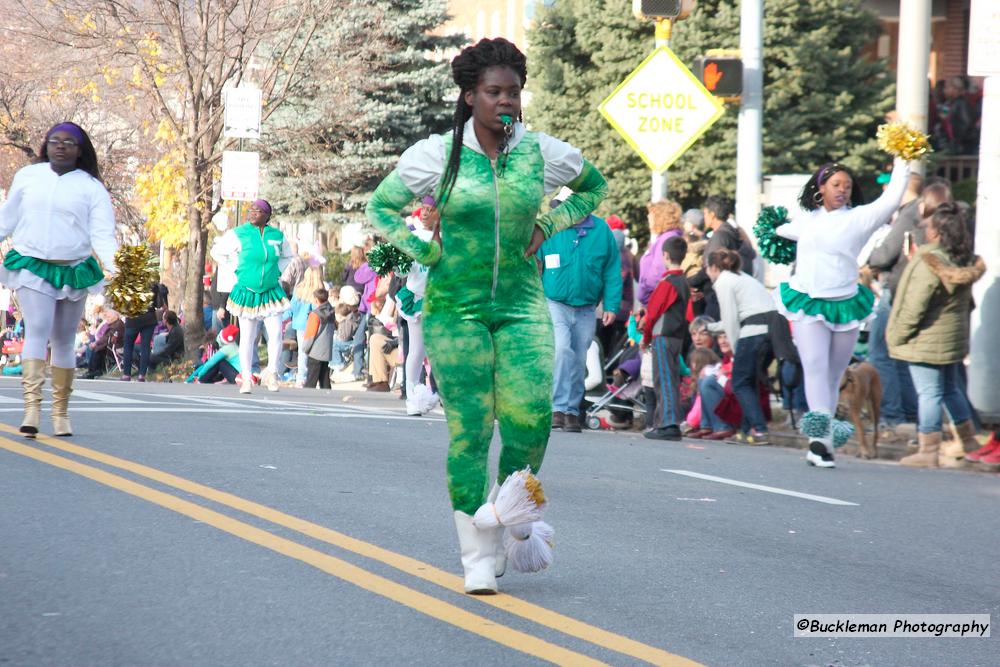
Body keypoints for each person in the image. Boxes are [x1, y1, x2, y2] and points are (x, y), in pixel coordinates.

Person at [366, 38, 606, 594]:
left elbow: (594, 187)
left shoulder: (540, 153)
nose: (506, 101)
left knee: (530, 422)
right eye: (493, 92)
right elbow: (380, 205)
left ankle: (507, 516)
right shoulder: (438, 155)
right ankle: (477, 553)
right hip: (457, 307)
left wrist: (550, 224)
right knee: (470, 429)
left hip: (523, 305)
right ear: (470, 96)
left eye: (513, 92)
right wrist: (424, 251)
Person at [774, 158, 911, 468]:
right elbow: (778, 230)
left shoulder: (860, 218)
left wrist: (904, 159)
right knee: (814, 365)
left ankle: (819, 442)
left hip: (846, 302)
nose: (842, 190)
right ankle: (820, 441)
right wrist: (768, 228)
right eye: (836, 184)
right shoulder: (807, 220)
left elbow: (892, 199)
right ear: (821, 188)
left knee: (835, 373)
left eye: (847, 186)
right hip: (808, 300)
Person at [0, 121, 118, 437]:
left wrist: (118, 269)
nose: (61, 146)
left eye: (69, 142)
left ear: (80, 151)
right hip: (32, 264)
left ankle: (61, 412)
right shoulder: (28, 176)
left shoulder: (91, 187)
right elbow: (7, 219)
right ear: (46, 145)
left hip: (74, 269)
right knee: (37, 329)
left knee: (64, 339)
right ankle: (31, 409)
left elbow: (103, 234)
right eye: (55, 141)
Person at [887, 203, 985, 467]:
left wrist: (897, 335)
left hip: (926, 339)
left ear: (935, 233)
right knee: (951, 389)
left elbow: (915, 304)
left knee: (929, 393)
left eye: (928, 226)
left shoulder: (929, 261)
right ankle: (969, 442)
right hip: (951, 338)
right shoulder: (963, 259)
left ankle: (928, 451)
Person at [866, 180, 951, 438]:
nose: (885, 191)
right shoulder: (944, 218)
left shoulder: (910, 213)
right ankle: (912, 417)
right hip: (922, 294)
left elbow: (886, 254)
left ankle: (894, 416)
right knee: (904, 357)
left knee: (881, 353)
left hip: (901, 291)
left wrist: (873, 262)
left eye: (889, 187)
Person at [538, 195, 621, 433]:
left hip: (586, 307)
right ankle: (557, 407)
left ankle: (572, 411)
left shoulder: (602, 231)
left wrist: (611, 305)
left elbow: (612, 271)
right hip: (555, 302)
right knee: (562, 350)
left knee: (578, 358)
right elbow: (532, 260)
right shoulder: (550, 227)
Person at [210, 199, 293, 393]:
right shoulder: (239, 233)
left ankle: (272, 374)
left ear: (267, 215)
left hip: (271, 291)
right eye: (251, 210)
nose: (253, 213)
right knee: (247, 336)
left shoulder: (277, 235)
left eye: (258, 210)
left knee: (275, 334)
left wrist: (277, 272)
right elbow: (217, 252)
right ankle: (246, 378)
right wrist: (236, 267)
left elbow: (288, 256)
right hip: (247, 291)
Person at [705, 249, 776, 445]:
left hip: (752, 333)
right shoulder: (741, 277)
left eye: (707, 268)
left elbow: (730, 320)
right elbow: (735, 318)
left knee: (740, 382)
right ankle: (745, 431)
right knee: (749, 382)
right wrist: (710, 328)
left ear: (713, 267)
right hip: (769, 330)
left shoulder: (723, 281)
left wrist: (736, 351)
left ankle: (759, 430)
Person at [640, 236, 689, 440]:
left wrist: (646, 336)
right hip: (677, 336)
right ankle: (668, 421)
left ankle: (668, 423)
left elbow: (653, 312)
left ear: (666, 256)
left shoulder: (667, 283)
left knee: (664, 380)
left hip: (663, 335)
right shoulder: (684, 282)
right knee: (670, 378)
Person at [396, 206, 438, 415]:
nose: (425, 214)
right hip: (419, 298)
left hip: (438, 300)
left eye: (430, 210)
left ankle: (427, 396)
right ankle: (413, 398)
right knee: (419, 351)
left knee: (429, 351)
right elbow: (401, 269)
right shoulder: (415, 238)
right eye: (424, 209)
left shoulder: (446, 238)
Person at [121, 279, 168, 382]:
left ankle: (126, 374)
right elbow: (157, 304)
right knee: (145, 346)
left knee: (128, 346)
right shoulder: (152, 284)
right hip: (149, 318)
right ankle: (142, 375)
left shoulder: (129, 282)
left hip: (133, 318)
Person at [637, 199, 683, 306]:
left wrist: (644, 291)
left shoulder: (666, 239)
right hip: (655, 301)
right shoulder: (666, 237)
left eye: (651, 215)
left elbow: (657, 274)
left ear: (660, 218)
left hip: (657, 303)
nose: (648, 217)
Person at [287, 266, 324, 387]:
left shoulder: (299, 290)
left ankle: (301, 377)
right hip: (313, 325)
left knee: (303, 352)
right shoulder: (318, 291)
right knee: (315, 352)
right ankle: (314, 377)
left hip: (299, 325)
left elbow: (291, 308)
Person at [301, 287, 335, 389]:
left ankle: (307, 401)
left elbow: (310, 335)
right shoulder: (331, 312)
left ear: (316, 300)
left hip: (315, 352)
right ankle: (328, 399)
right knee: (324, 381)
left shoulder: (315, 315)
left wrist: (305, 348)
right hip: (326, 351)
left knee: (310, 382)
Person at [83, 308, 124, 379]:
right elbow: (106, 337)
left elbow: (107, 337)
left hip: (115, 347)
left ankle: (94, 371)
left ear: (116, 316)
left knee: (98, 348)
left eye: (109, 317)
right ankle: (92, 370)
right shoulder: (114, 324)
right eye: (106, 317)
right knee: (96, 348)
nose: (107, 319)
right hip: (110, 344)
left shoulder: (117, 325)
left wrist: (96, 343)